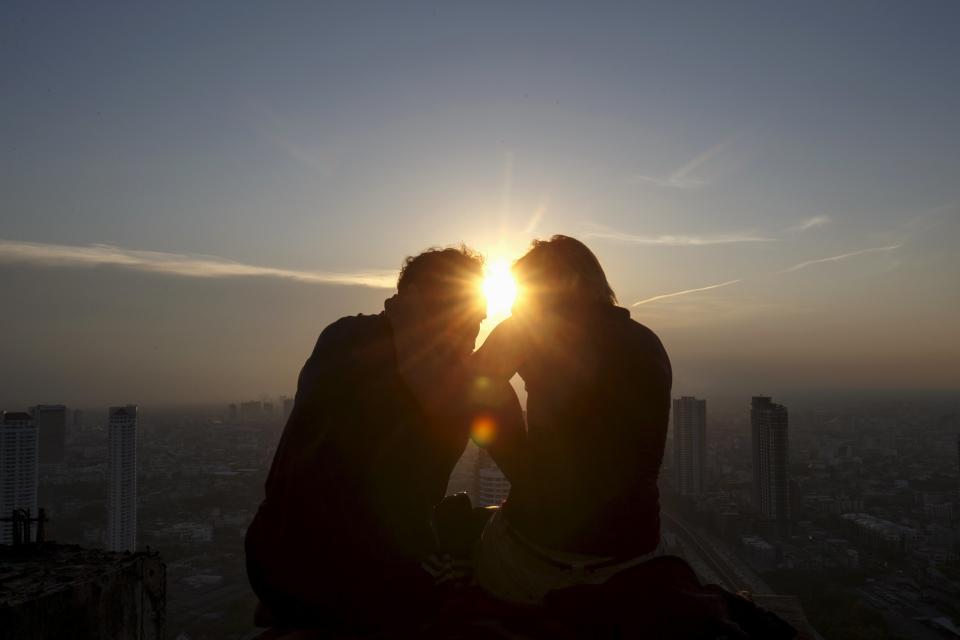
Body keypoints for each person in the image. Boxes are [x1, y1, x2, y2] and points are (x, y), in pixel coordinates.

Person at [245, 246, 523, 632]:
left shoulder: (339, 334)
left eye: (475, 319)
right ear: (415, 299)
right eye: (460, 312)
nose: (471, 331)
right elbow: (529, 476)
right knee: (483, 573)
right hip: (367, 578)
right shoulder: (460, 379)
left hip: (270, 561)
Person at [472, 235, 673, 605]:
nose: (519, 303)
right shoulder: (647, 341)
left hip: (544, 561)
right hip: (636, 555)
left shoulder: (536, 332)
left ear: (570, 284)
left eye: (530, 290)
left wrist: (527, 477)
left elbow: (472, 385)